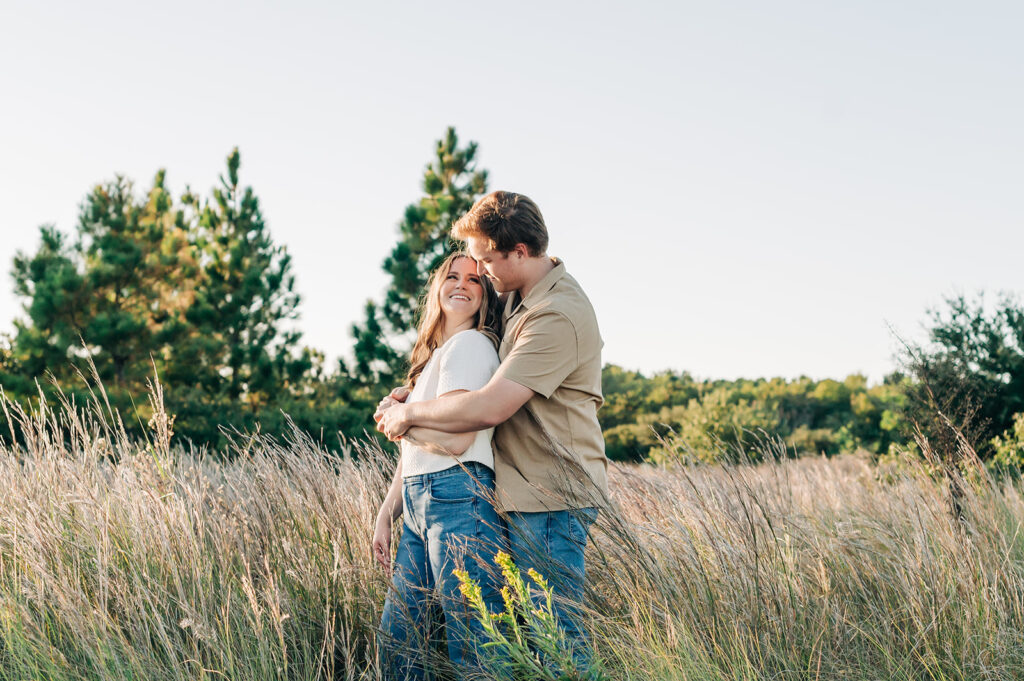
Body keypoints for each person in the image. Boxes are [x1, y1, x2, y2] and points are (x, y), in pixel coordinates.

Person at [377, 190, 608, 667]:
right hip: (517, 491)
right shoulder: (517, 295)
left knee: (555, 638)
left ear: (520, 253)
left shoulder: (555, 314)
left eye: (485, 261)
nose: (480, 272)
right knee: (522, 635)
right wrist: (415, 395)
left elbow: (486, 408)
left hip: (553, 494)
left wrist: (409, 416)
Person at [372, 252, 506, 680]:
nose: (462, 285)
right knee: (399, 643)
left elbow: (457, 439)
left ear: (485, 296)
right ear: (437, 287)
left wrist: (401, 420)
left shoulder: (471, 346)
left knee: (474, 648)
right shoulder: (436, 357)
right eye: (452, 276)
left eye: (475, 279)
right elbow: (415, 451)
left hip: (459, 498)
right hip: (421, 503)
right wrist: (387, 513)